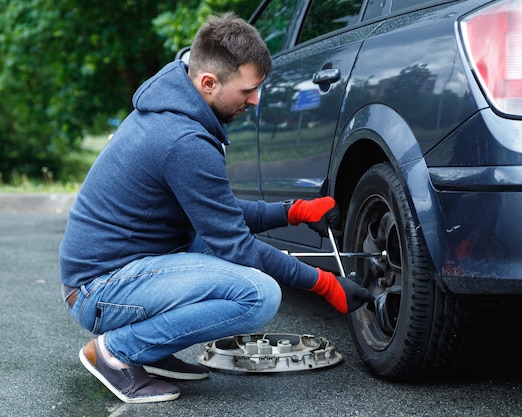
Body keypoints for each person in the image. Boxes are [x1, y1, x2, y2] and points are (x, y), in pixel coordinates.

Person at [59, 13, 372, 404]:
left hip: (123, 270)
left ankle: (150, 353)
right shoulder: (183, 139)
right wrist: (322, 283)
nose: (255, 100)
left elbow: (219, 216)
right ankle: (116, 354)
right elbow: (238, 247)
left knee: (215, 244)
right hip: (100, 289)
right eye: (247, 91)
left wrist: (293, 211)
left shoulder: (177, 110)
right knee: (259, 295)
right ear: (209, 83)